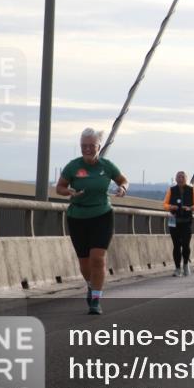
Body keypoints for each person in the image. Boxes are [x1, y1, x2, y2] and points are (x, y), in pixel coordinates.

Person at [56, 128, 129, 315]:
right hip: (77, 217)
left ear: (99, 146)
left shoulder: (107, 166)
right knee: (84, 262)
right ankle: (90, 284)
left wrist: (122, 188)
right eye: (83, 146)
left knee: (97, 258)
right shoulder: (73, 166)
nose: (87, 149)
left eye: (91, 146)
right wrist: (69, 192)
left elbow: (123, 180)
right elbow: (60, 188)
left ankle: (96, 298)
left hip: (102, 215)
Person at [163, 170, 194, 277]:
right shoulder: (171, 189)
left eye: (182, 177)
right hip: (174, 221)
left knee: (185, 245)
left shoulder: (191, 189)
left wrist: (190, 208)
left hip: (186, 221)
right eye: (178, 177)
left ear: (186, 179)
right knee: (176, 245)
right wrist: (171, 207)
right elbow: (164, 204)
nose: (180, 179)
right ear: (175, 179)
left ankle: (185, 265)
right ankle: (177, 268)